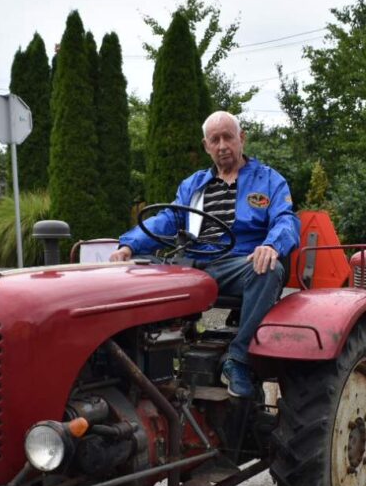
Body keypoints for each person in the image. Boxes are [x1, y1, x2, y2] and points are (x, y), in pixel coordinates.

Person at [110, 111, 300, 397]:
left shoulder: (269, 180)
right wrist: (129, 246)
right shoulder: (194, 185)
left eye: (228, 137)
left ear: (242, 138)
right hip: (192, 263)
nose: (222, 145)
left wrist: (271, 245)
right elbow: (168, 219)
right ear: (206, 146)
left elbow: (286, 220)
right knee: (134, 272)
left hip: (238, 263)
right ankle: (136, 363)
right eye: (215, 140)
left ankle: (238, 360)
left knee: (267, 269)